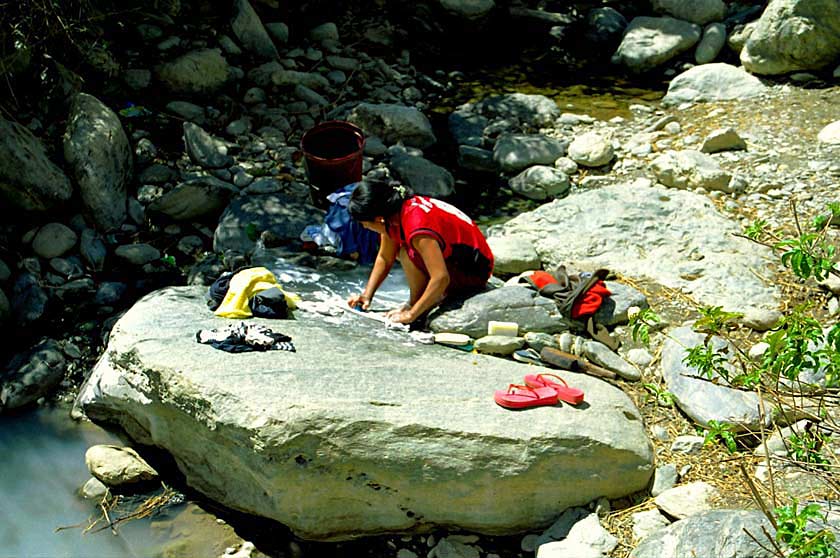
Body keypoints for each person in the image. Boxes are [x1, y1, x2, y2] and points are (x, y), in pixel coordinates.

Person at [346, 179, 494, 325]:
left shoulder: (417, 224)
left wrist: (411, 314)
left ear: (379, 219)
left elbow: (441, 278)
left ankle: (419, 308)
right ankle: (419, 302)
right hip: (459, 260)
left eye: (364, 224)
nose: (365, 228)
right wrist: (367, 296)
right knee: (405, 252)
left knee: (407, 253)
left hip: (473, 270)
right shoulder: (394, 213)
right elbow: (385, 258)